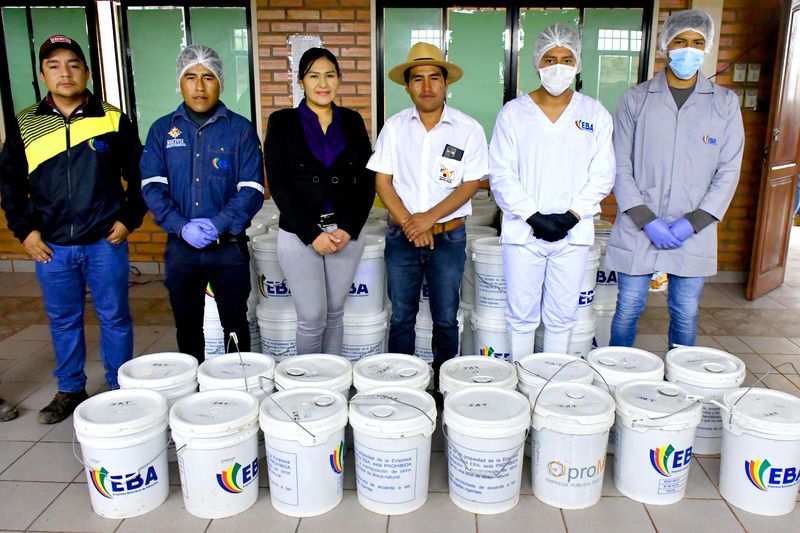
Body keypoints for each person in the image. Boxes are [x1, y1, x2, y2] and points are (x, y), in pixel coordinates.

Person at [0, 35, 146, 423]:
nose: (64, 73)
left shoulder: (111, 119)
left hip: (104, 242)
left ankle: (120, 388)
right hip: (51, 246)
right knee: (64, 320)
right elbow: (9, 182)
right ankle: (69, 388)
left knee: (115, 318)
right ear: (42, 73)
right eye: (54, 65)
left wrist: (128, 220)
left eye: (73, 65)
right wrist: (25, 231)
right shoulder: (26, 123)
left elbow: (141, 174)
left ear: (86, 71)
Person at [605, 9, 744, 348]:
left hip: (693, 229)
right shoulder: (636, 99)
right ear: (666, 45)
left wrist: (694, 222)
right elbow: (618, 164)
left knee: (685, 311)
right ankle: (616, 372)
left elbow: (729, 170)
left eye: (697, 42)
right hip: (640, 225)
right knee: (628, 308)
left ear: (706, 47)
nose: (688, 49)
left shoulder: (725, 103)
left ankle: (678, 376)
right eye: (680, 41)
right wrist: (646, 219)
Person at [489, 24, 615, 359]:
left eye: (566, 59)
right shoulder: (513, 114)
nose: (558, 67)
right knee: (521, 314)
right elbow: (501, 173)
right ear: (537, 63)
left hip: (573, 233)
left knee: (562, 315)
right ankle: (521, 377)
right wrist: (532, 216)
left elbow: (603, 174)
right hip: (523, 232)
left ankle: (550, 379)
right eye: (550, 59)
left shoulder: (594, 114)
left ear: (577, 64)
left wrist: (573, 215)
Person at [367, 42, 488, 387]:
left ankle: (446, 388)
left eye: (434, 77)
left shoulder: (468, 129)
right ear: (407, 86)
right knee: (401, 318)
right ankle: (402, 387)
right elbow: (382, 182)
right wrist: (412, 224)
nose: (426, 86)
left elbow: (471, 183)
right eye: (417, 79)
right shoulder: (394, 127)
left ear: (446, 83)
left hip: (448, 237)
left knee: (446, 318)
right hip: (401, 237)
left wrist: (427, 219)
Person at [141, 45, 265, 362]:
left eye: (208, 77)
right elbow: (152, 186)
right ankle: (193, 384)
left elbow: (252, 188)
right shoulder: (161, 130)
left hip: (228, 248)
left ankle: (236, 381)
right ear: (179, 82)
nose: (199, 86)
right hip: (181, 248)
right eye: (191, 77)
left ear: (220, 82)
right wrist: (182, 227)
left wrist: (217, 224)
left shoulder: (240, 130)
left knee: (235, 323)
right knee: (187, 325)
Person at [264, 48, 374, 355]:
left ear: (339, 80)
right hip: (299, 233)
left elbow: (367, 180)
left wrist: (348, 228)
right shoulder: (282, 121)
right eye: (313, 76)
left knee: (335, 314)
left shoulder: (352, 120)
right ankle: (310, 379)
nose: (322, 83)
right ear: (301, 81)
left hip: (344, 233)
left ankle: (333, 378)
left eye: (329, 75)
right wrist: (312, 235)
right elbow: (279, 184)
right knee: (312, 317)